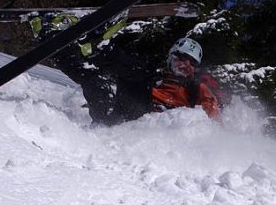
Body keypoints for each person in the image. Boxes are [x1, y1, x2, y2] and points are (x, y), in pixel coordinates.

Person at [33, 13, 224, 126]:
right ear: (170, 58)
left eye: (191, 63)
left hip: (155, 134)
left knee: (139, 71)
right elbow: (127, 65)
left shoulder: (195, 88)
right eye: (181, 58)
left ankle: (98, 48)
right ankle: (58, 43)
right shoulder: (152, 74)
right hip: (117, 123)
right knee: (98, 81)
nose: (185, 65)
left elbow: (211, 120)